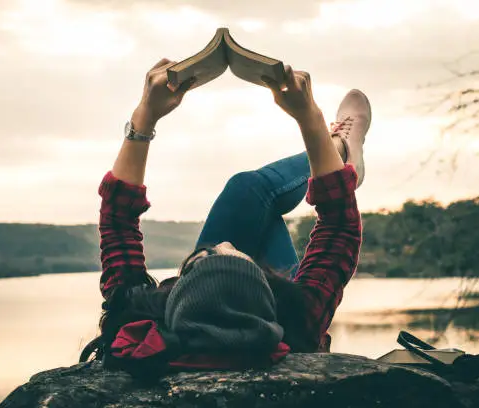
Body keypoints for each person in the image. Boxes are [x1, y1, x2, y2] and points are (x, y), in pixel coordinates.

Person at [80, 58, 371, 380]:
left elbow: (117, 220)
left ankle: (338, 149)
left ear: (173, 301)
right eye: (243, 257)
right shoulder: (298, 317)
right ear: (271, 293)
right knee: (248, 189)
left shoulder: (141, 327)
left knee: (248, 189)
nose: (224, 241)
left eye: (202, 258)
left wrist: (144, 117)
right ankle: (340, 147)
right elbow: (340, 229)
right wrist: (310, 118)